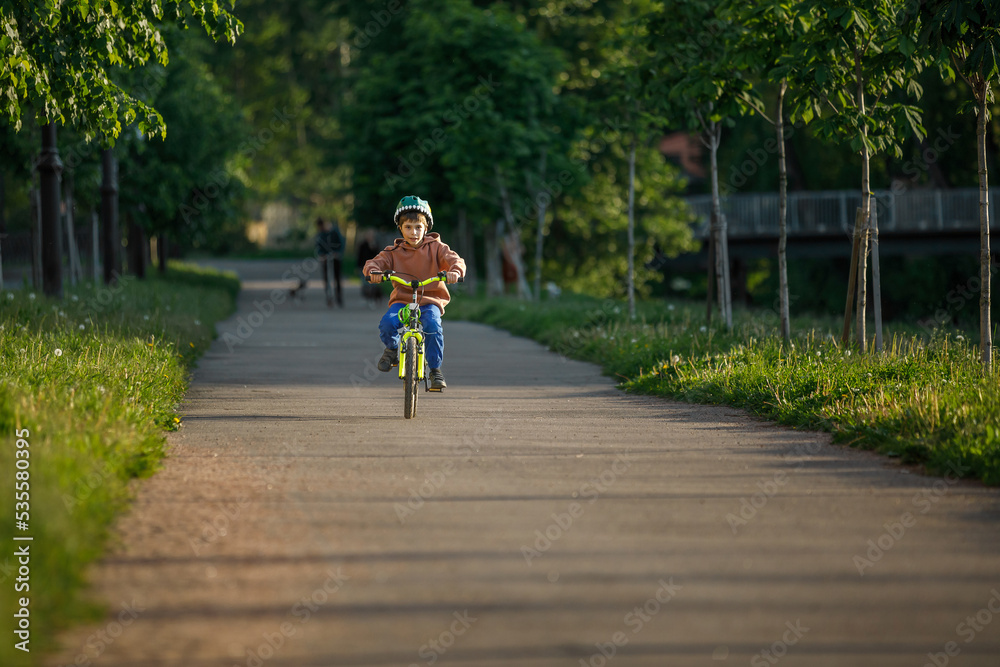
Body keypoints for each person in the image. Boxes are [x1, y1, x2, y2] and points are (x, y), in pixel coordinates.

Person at [363, 195, 465, 390]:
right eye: (408, 227)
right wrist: (374, 272)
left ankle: (435, 369)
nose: (413, 232)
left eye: (418, 227)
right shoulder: (393, 251)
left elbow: (455, 260)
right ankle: (392, 349)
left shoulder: (437, 248)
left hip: (430, 300)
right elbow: (374, 263)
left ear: (426, 228)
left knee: (433, 326)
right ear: (400, 228)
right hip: (402, 301)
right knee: (387, 323)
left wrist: (455, 272)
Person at [315, 217, 344, 307]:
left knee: (337, 278)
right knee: (326, 278)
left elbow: (341, 243)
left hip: (335, 258)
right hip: (325, 259)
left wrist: (338, 252)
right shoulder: (320, 235)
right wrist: (321, 255)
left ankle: (338, 297)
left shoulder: (335, 232)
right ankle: (329, 296)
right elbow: (318, 246)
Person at [355, 227, 384, 307]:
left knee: (373, 284)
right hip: (363, 267)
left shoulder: (375, 244)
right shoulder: (362, 245)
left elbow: (378, 256)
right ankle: (367, 298)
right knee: (365, 284)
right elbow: (359, 256)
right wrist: (357, 267)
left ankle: (373, 299)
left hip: (374, 268)